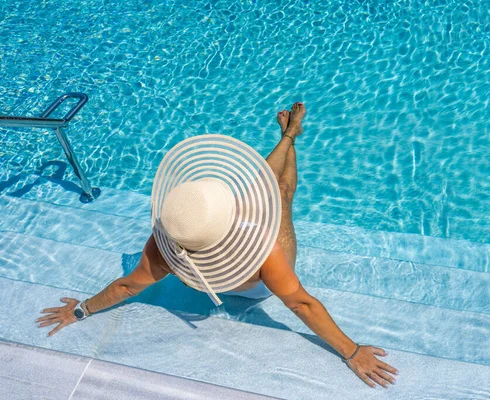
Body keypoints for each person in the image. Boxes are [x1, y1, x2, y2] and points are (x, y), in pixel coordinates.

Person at [36, 102, 398, 388]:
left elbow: (128, 284)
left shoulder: (170, 235)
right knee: (281, 195)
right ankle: (290, 136)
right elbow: (301, 303)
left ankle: (289, 137)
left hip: (212, 271)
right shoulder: (264, 248)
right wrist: (352, 352)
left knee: (265, 184)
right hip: (255, 287)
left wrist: (82, 309)